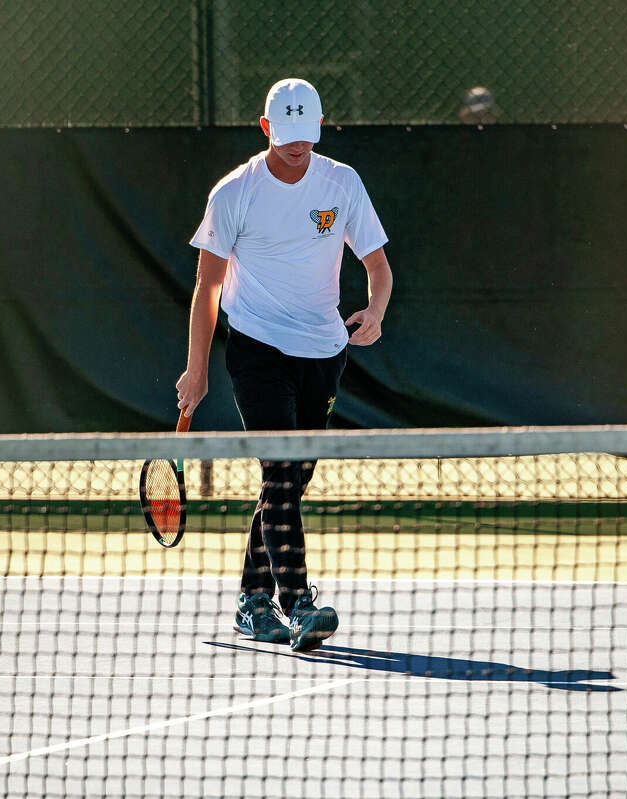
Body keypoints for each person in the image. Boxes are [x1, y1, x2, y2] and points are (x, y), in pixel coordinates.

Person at [176, 78, 392, 653]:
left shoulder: (342, 183)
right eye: (286, 135)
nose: (298, 146)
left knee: (291, 483)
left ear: (318, 129)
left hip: (324, 351)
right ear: (266, 129)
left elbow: (378, 264)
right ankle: (297, 603)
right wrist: (196, 370)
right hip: (257, 347)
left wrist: (375, 310)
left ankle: (252, 601)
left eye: (307, 134)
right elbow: (207, 287)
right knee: (279, 473)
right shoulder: (234, 193)